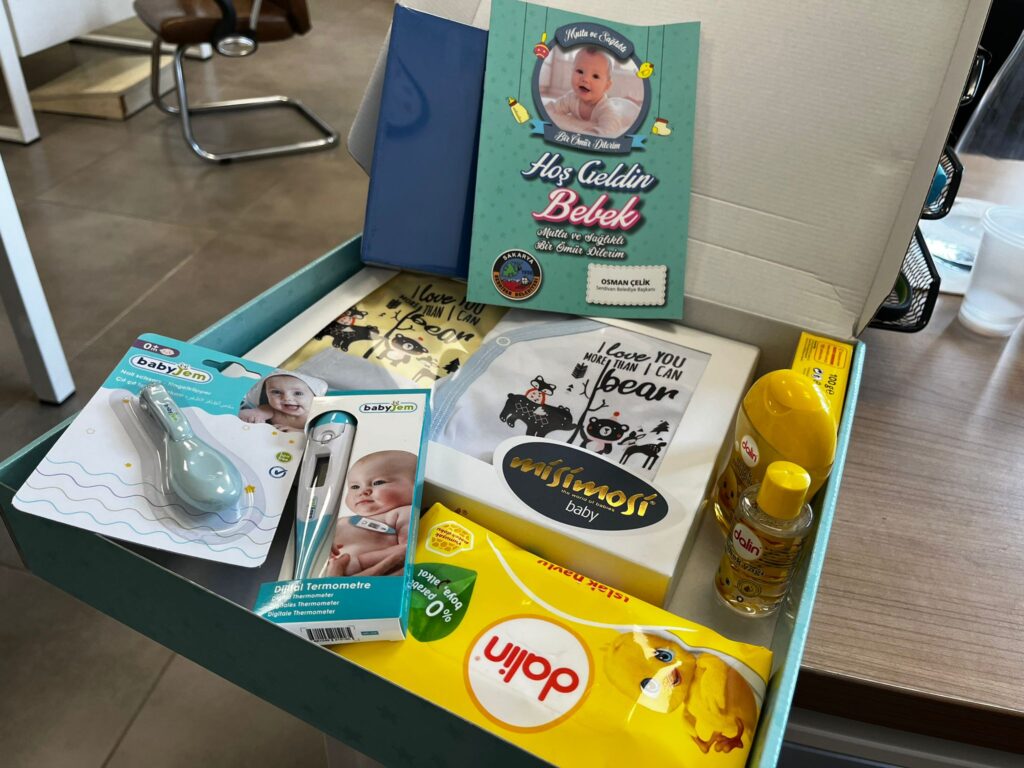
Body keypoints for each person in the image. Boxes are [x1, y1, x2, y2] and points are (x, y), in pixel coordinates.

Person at [323, 450, 417, 577]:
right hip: (328, 571)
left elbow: (407, 550)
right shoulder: (341, 520)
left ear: (416, 486)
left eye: (378, 482)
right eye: (355, 487)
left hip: (362, 570)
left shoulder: (403, 513)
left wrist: (359, 562)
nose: (363, 492)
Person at [548, 46, 639, 137]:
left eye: (595, 76)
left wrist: (593, 134)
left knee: (627, 108)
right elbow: (552, 108)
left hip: (625, 110)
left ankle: (632, 100)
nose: (585, 79)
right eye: (580, 71)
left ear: (606, 86)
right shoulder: (571, 98)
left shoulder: (606, 109)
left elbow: (610, 130)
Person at [238, 370, 327, 432]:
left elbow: (324, 433)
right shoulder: (271, 410)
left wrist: (298, 432)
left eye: (298, 393)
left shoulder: (317, 415)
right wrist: (253, 418)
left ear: (315, 396)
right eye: (276, 392)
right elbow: (241, 414)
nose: (286, 398)